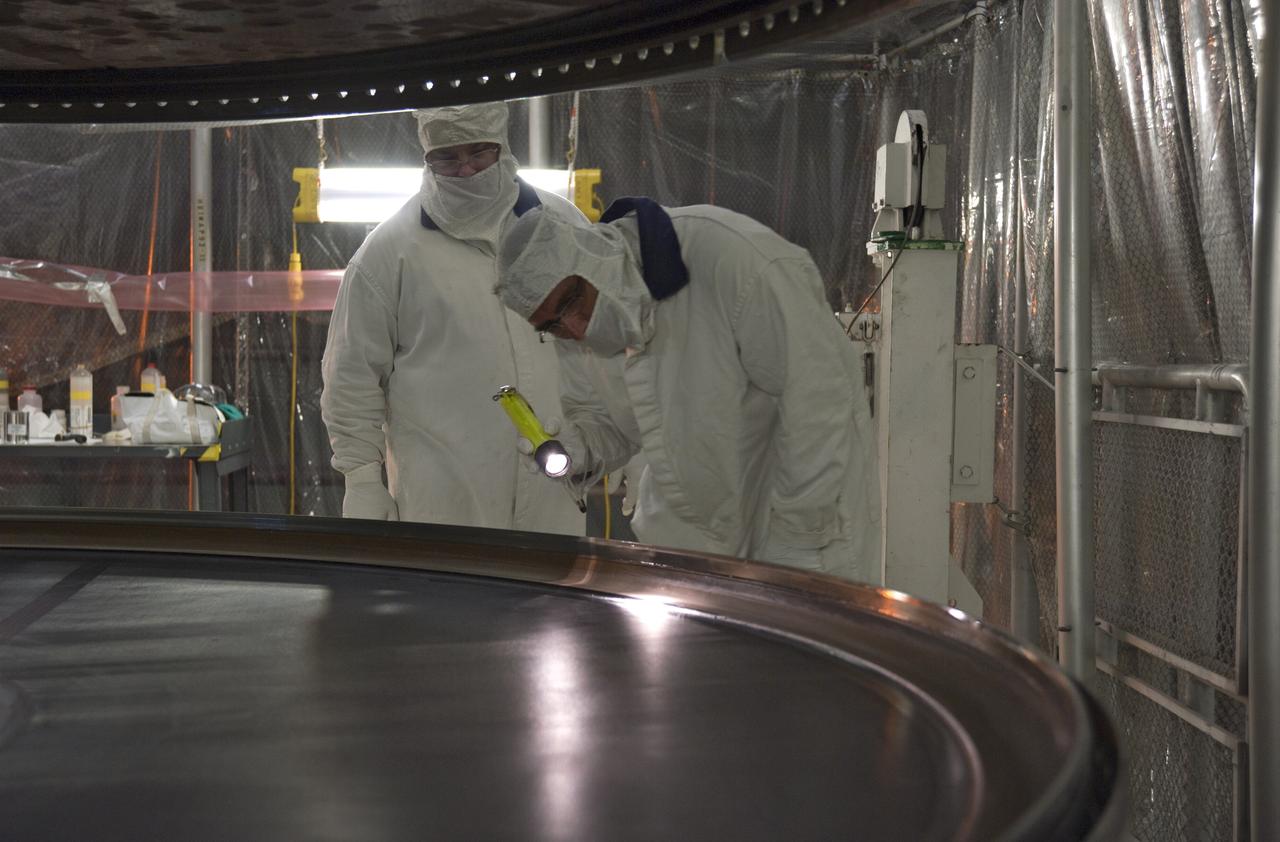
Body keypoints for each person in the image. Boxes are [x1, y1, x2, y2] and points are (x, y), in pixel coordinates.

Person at [495, 198, 879, 581]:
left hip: (798, 527)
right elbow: (610, 422)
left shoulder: (733, 260)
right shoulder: (578, 325)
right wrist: (580, 449)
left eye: (572, 301)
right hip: (688, 539)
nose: (576, 328)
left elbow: (820, 403)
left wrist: (800, 535)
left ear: (593, 253)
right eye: (552, 326)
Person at [320, 101, 584, 535]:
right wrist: (362, 478)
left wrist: (632, 449)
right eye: (447, 156)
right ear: (426, 157)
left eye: (479, 153)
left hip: (553, 492)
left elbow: (610, 346)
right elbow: (351, 377)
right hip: (442, 503)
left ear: (503, 147)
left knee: (551, 601)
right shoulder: (389, 252)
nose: (465, 170)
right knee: (449, 601)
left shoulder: (565, 228)